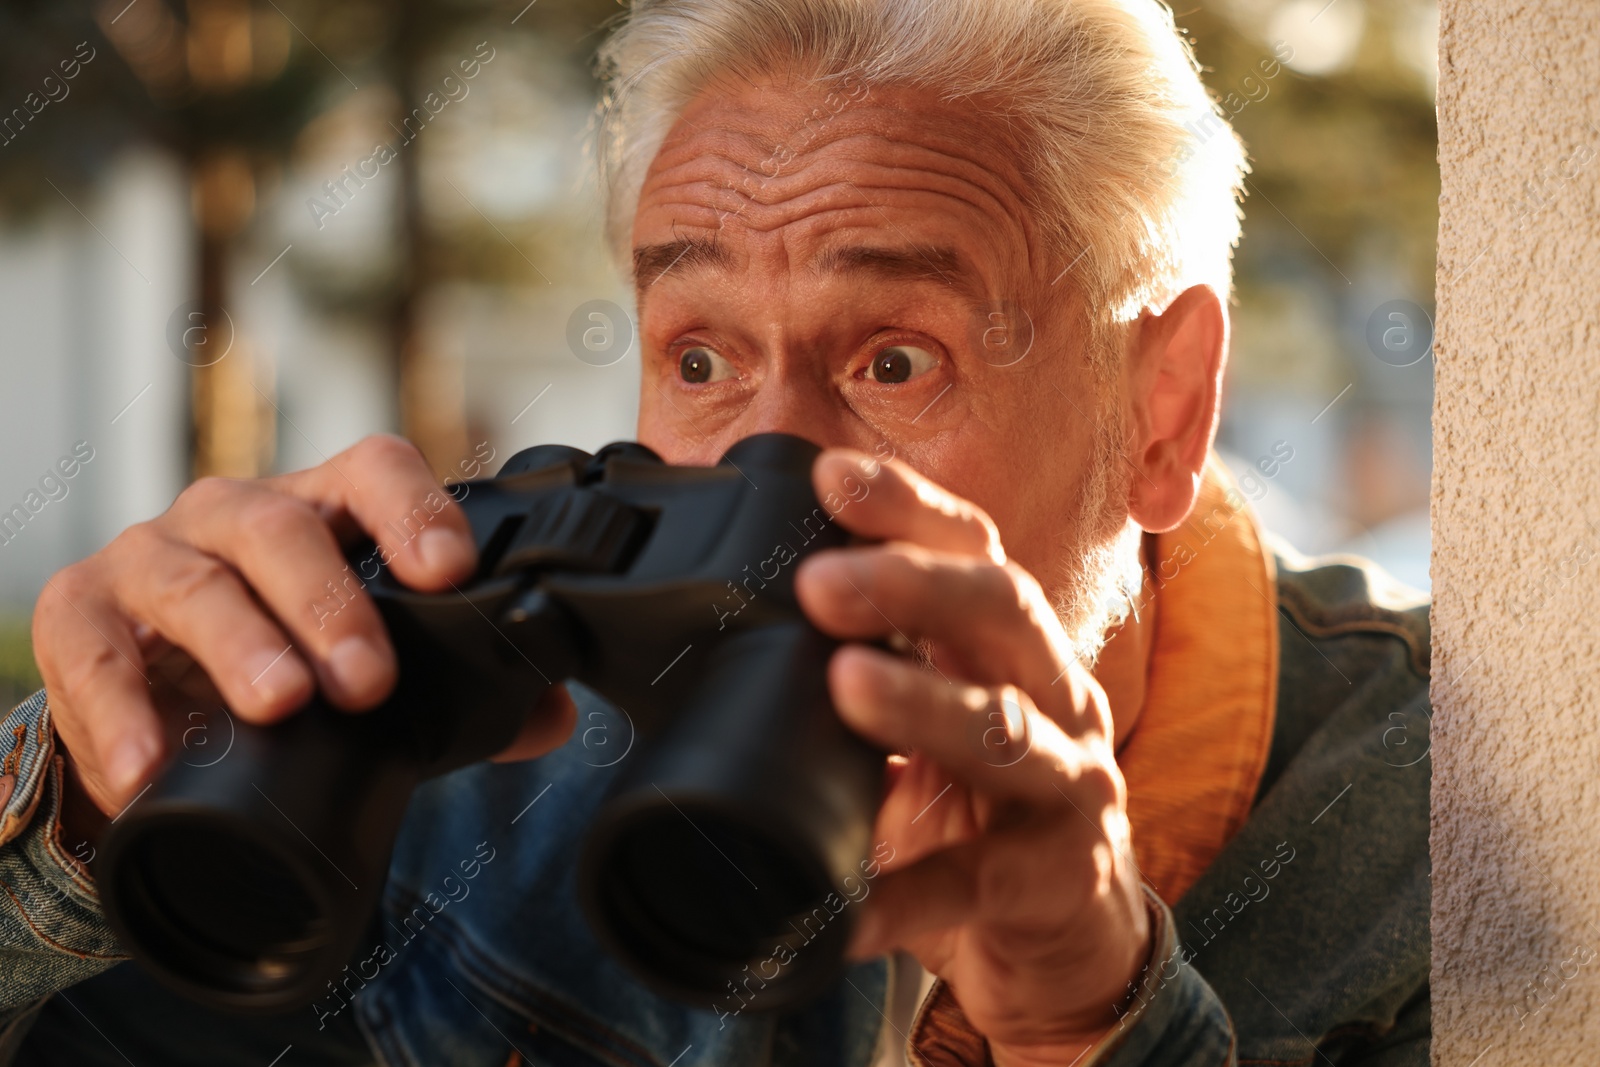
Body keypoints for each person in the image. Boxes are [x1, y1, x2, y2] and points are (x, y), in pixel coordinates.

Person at [0, 0, 1430, 1063]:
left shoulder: (1440, 838)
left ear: (1162, 411)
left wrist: (1090, 1021)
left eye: (893, 361)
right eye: (699, 360)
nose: (775, 467)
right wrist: (83, 799)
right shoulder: (510, 759)